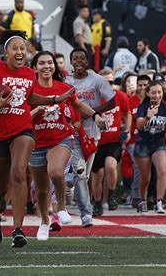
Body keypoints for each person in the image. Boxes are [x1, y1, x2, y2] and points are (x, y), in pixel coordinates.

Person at [0, 30, 75, 247]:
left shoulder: (28, 73)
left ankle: (18, 229)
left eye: (23, 49)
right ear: (6, 52)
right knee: (1, 185)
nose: (20, 52)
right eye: (15, 48)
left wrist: (53, 98)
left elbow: (30, 97)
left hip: (23, 129)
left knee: (19, 173)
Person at [28, 51, 104, 240]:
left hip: (61, 138)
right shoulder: (30, 90)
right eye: (42, 63)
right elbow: (22, 118)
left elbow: (78, 105)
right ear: (35, 67)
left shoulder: (64, 87)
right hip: (36, 143)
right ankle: (45, 222)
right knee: (42, 189)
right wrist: (38, 110)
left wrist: (95, 115)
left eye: (50, 63)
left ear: (55, 66)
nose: (46, 66)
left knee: (55, 172)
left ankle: (61, 207)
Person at [65, 47, 116, 227]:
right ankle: (86, 214)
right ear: (71, 62)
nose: (78, 61)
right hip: (72, 132)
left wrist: (93, 112)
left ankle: (69, 177)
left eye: (82, 58)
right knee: (80, 173)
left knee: (83, 176)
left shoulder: (97, 80)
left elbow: (113, 100)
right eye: (75, 59)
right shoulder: (66, 81)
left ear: (86, 61)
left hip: (92, 132)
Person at [91, 68, 131, 216]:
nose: (109, 85)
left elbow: (127, 113)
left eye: (112, 82)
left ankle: (112, 194)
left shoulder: (120, 96)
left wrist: (126, 130)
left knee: (111, 164)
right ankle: (97, 203)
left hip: (113, 140)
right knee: (97, 175)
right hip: (95, 141)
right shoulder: (92, 98)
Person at [134, 81, 166, 214]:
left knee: (162, 171)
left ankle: (159, 201)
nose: (156, 95)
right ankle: (142, 200)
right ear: (148, 93)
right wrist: (148, 116)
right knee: (145, 177)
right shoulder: (142, 107)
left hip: (159, 142)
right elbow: (139, 125)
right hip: (143, 143)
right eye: (153, 92)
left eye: (159, 92)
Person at [127, 74, 150, 207]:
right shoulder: (131, 101)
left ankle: (151, 197)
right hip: (134, 141)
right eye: (140, 85)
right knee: (138, 164)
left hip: (152, 139)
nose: (142, 87)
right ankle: (136, 196)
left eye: (145, 85)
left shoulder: (153, 100)